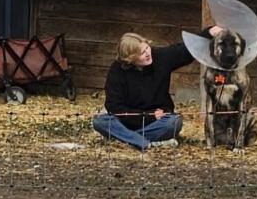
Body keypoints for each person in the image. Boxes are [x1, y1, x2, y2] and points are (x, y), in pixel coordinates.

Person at [92, 26, 222, 150]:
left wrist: (208, 33)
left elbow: (184, 51)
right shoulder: (117, 71)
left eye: (147, 48)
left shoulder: (160, 57)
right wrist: (148, 115)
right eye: (142, 53)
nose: (147, 53)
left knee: (174, 122)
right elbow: (114, 107)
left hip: (157, 122)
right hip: (128, 121)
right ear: (130, 59)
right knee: (100, 122)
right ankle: (141, 140)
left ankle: (127, 138)